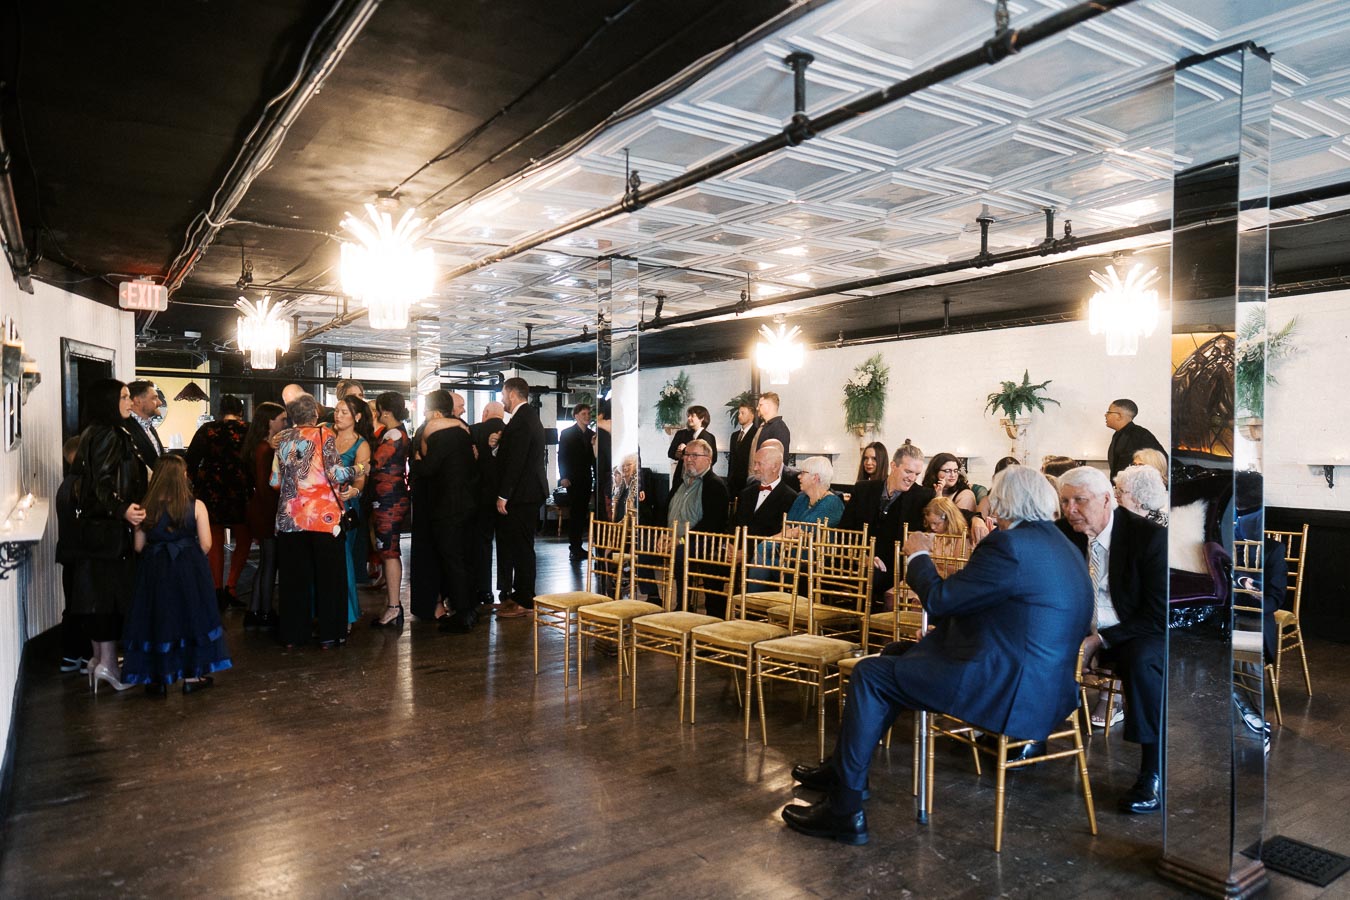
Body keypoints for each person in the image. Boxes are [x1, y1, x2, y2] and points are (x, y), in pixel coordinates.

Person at [782, 466, 1092, 844]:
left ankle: (845, 809)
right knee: (896, 652)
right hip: (1046, 684)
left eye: (992, 494)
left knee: (870, 674)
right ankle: (842, 770)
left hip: (1005, 689)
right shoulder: (1063, 545)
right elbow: (1009, 613)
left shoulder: (1009, 545)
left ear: (1006, 501)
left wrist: (919, 556)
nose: (987, 502)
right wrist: (942, 633)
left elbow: (942, 600)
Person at [1057, 466, 1167, 815]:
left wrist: (1100, 640)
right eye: (1065, 501)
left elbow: (1156, 615)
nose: (1070, 509)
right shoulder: (1064, 534)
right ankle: (1027, 731)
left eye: (1080, 500)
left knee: (1144, 663)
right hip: (1078, 626)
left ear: (1108, 500)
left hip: (1130, 630)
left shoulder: (1147, 537)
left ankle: (1152, 770)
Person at [122, 455, 232, 696]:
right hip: (189, 570)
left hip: (155, 570)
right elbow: (206, 544)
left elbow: (139, 546)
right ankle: (192, 676)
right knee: (191, 617)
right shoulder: (196, 506)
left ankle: (157, 678)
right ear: (180, 477)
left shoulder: (144, 507)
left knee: (157, 618)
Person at [69, 379, 149, 693]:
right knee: (110, 597)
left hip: (97, 530)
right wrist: (122, 510)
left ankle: (101, 662)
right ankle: (108, 666)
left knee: (100, 595)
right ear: (108, 401)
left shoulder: (93, 432)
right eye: (125, 396)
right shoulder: (109, 434)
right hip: (110, 530)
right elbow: (101, 483)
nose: (130, 402)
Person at [271, 393, 346, 649]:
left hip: (290, 517)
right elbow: (336, 474)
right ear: (315, 413)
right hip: (323, 518)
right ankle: (330, 634)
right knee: (330, 578)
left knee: (293, 580)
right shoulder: (325, 436)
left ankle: (293, 636)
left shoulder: (281, 440)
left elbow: (275, 481)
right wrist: (361, 469)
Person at [410, 391, 479, 632]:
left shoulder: (434, 431)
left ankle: (462, 615)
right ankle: (470, 608)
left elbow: (428, 469)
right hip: (468, 503)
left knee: (452, 561)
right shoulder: (464, 431)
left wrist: (417, 460)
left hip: (446, 507)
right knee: (464, 559)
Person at [840, 441, 935, 608]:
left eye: (916, 474)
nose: (912, 478)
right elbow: (844, 530)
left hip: (896, 568)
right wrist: (861, 556)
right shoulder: (864, 489)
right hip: (857, 560)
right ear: (893, 466)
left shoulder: (923, 496)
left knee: (870, 578)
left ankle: (867, 631)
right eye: (908, 471)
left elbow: (951, 513)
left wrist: (977, 518)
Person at [185, 395, 251, 610]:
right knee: (243, 537)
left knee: (214, 539)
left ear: (221, 410)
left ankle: (215, 588)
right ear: (240, 411)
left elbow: (191, 461)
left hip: (211, 488)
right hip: (239, 488)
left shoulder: (207, 430)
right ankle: (231, 586)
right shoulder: (247, 430)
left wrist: (194, 484)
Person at [494, 377, 547, 619]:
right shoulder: (526, 417)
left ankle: (525, 600)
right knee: (520, 545)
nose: (502, 399)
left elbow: (516, 462)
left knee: (523, 548)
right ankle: (519, 595)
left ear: (512, 394)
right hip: (527, 492)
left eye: (503, 394)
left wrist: (504, 495)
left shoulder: (522, 420)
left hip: (523, 494)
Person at [663, 438, 730, 615]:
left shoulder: (715, 485)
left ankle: (684, 603)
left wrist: (682, 539)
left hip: (701, 539)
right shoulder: (680, 481)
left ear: (708, 459)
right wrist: (663, 534)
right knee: (642, 544)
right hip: (673, 536)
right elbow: (665, 510)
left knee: (681, 552)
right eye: (686, 455)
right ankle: (654, 596)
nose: (688, 459)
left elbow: (712, 523)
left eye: (694, 455)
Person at [240, 401, 286, 631]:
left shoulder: (259, 446)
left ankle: (254, 612)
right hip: (268, 510)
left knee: (266, 562)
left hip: (260, 508)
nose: (285, 423)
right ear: (270, 421)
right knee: (270, 562)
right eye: (282, 419)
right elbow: (267, 485)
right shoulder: (266, 449)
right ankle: (265, 612)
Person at [368, 392, 412, 628]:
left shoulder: (393, 435)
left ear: (385, 411)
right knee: (388, 549)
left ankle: (394, 607)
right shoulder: (397, 432)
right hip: (390, 497)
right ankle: (393, 605)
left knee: (389, 550)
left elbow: (374, 464)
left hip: (390, 499)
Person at [333, 395, 373, 626]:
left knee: (344, 558)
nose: (338, 415)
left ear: (357, 417)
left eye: (345, 412)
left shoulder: (361, 444)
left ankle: (346, 614)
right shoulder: (325, 431)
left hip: (346, 504)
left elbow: (360, 481)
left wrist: (354, 492)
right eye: (337, 411)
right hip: (322, 504)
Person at [55, 436, 89, 673]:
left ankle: (71, 655)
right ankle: (88, 655)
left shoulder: (65, 485)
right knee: (87, 604)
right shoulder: (83, 486)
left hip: (68, 553)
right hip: (83, 553)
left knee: (72, 604)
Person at [470, 401, 507, 606]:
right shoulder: (510, 432)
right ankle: (505, 588)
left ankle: (484, 589)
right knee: (505, 544)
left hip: (481, 496)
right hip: (505, 497)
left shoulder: (474, 430)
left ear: (485, 413)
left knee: (482, 544)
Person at [733, 444, 798, 537]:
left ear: (775, 467)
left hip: (765, 550)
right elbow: (735, 523)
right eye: (755, 463)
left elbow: (778, 532)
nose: (755, 468)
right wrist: (731, 544)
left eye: (759, 464)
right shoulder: (746, 493)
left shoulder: (790, 497)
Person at [557, 402, 595, 561]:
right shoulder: (567, 433)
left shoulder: (592, 435)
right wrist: (564, 476)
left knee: (581, 513)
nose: (587, 416)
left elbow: (593, 459)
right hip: (572, 478)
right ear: (576, 416)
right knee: (575, 513)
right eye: (584, 414)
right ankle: (574, 547)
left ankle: (578, 546)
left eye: (588, 414)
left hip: (586, 478)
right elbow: (562, 456)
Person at [1105, 398, 1166, 479]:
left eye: (1109, 412)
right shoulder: (1118, 434)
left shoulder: (1140, 435)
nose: (1105, 415)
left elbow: (1160, 463)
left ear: (1119, 416)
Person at [783, 456, 844, 533]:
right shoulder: (801, 498)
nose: (798, 476)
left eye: (802, 473)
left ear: (815, 477)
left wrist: (767, 541)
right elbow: (786, 528)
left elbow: (800, 532)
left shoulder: (832, 503)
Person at [668, 405, 717, 486]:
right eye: (688, 416)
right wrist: (678, 453)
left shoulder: (709, 437)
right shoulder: (681, 434)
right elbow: (670, 453)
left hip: (700, 480)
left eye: (692, 416)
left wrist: (684, 450)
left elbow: (713, 459)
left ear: (702, 418)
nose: (689, 418)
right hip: (681, 477)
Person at [124, 380, 165, 465]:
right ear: (137, 401)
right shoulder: (126, 428)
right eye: (154, 398)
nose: (160, 402)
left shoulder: (150, 427)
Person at [726, 398, 759, 501]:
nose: (739, 415)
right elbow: (732, 459)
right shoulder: (734, 436)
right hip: (733, 483)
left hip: (747, 482)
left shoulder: (756, 434)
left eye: (742, 413)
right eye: (739, 413)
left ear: (752, 415)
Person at [753, 391, 790, 458]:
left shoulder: (780, 428)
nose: (757, 408)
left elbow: (780, 459)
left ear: (769, 406)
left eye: (760, 405)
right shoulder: (764, 427)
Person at [594, 400, 613, 521]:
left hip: (602, 472)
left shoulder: (599, 427)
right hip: (609, 472)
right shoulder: (608, 426)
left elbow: (596, 454)